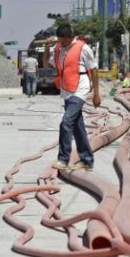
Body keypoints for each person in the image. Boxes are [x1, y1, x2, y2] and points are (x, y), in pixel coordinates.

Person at [44, 23, 100, 171]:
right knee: (77, 126)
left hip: (80, 89)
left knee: (66, 122)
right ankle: (87, 160)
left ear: (70, 37)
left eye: (63, 40)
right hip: (67, 90)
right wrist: (46, 47)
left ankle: (63, 159)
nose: (61, 43)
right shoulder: (58, 49)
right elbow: (46, 64)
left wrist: (96, 94)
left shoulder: (83, 48)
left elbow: (94, 70)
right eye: (59, 40)